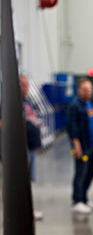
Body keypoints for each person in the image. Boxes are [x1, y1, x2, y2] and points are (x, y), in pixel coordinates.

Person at [68, 78, 93, 214]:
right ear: (79, 91)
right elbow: (72, 127)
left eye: (90, 89)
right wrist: (76, 144)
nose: (88, 92)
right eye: (85, 89)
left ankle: (84, 199)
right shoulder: (74, 107)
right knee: (80, 174)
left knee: (90, 173)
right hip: (82, 147)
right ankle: (77, 201)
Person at [21, 75, 44, 220]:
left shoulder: (27, 101)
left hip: (31, 147)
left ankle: (28, 210)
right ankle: (22, 211)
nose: (26, 87)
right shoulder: (10, 102)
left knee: (29, 182)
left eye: (27, 84)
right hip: (21, 150)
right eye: (23, 84)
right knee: (22, 182)